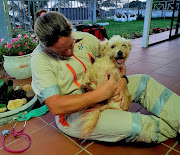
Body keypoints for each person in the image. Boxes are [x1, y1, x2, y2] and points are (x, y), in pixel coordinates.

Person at [31, 10, 180, 143]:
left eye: (71, 45)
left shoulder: (83, 38)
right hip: (76, 112)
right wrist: (100, 95)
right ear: (46, 46)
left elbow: (116, 56)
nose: (70, 52)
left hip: (109, 86)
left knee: (144, 81)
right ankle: (172, 129)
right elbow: (56, 106)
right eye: (62, 51)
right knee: (138, 125)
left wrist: (122, 80)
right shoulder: (39, 60)